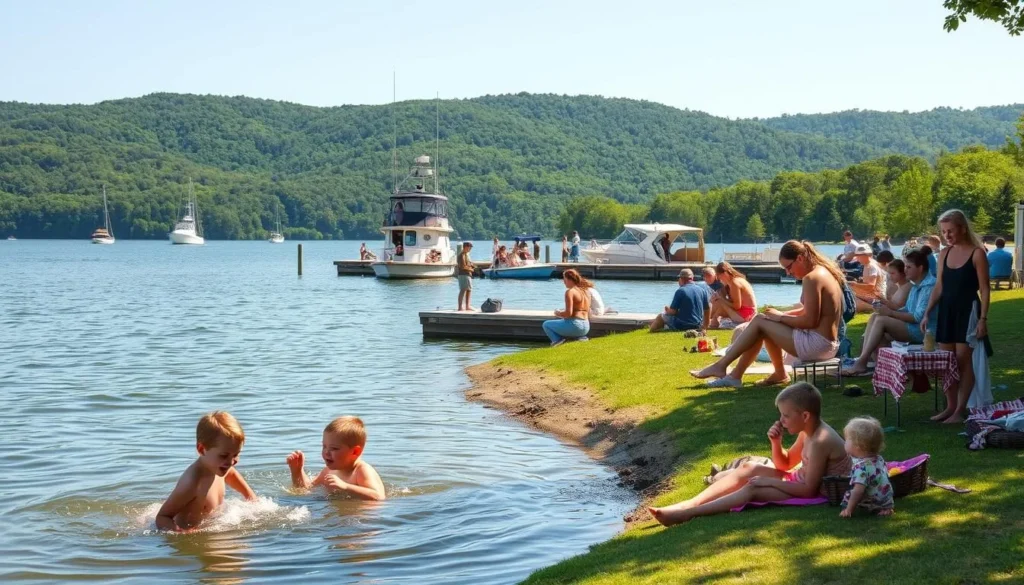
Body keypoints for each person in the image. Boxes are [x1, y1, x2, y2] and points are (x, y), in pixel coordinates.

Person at [649, 383, 851, 526]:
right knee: (749, 467)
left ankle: (688, 514)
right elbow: (785, 464)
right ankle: (690, 503)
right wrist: (776, 443)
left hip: (816, 491)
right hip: (799, 480)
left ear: (805, 415)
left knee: (753, 488)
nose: (782, 420)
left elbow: (809, 491)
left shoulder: (820, 440)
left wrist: (768, 482)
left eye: (786, 415)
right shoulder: (807, 432)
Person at [691, 241, 844, 388]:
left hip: (817, 345)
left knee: (759, 321)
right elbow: (810, 311)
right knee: (764, 323)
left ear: (800, 258)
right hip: (827, 344)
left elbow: (810, 321)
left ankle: (722, 367)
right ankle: (773, 374)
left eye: (788, 267)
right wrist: (779, 315)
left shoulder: (812, 278)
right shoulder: (823, 272)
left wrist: (780, 317)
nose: (788, 272)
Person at [922, 209, 990, 424]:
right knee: (946, 362)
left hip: (968, 311)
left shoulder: (977, 253)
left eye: (950, 230)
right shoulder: (944, 253)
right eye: (943, 232)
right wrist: (927, 312)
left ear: (962, 228)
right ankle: (950, 407)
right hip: (947, 311)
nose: (947, 235)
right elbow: (939, 286)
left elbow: (985, 289)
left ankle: (961, 410)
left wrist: (983, 319)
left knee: (963, 361)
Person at [156, 412, 257, 532]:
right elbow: (162, 517)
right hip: (190, 535)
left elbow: (231, 474)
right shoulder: (192, 483)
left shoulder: (219, 467)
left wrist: (250, 497)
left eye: (236, 455)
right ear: (201, 449)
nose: (231, 462)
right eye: (224, 455)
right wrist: (182, 532)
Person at [841, 250, 936, 376]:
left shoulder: (928, 287)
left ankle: (862, 362)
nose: (905, 270)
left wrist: (890, 313)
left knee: (881, 320)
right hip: (914, 327)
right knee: (876, 316)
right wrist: (884, 309)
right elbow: (906, 310)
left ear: (920, 268)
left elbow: (917, 317)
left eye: (909, 267)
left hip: (924, 332)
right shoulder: (917, 285)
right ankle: (872, 363)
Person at [286, 416, 386, 501]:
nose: (326, 452)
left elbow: (379, 497)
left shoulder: (361, 470)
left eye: (334, 448)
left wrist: (346, 486)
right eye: (324, 446)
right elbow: (306, 490)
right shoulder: (328, 471)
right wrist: (297, 471)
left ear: (355, 452)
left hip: (361, 518)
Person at [840, 417, 894, 517]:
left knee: (851, 492)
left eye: (847, 440)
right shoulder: (878, 459)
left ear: (858, 445)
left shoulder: (861, 467)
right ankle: (886, 508)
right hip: (886, 499)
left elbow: (858, 491)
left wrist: (849, 509)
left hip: (872, 501)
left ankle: (872, 508)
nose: (844, 442)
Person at [542, 269, 592, 346]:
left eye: (564, 279)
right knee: (566, 322)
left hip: (575, 326)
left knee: (546, 324)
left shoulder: (570, 292)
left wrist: (558, 313)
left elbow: (568, 314)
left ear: (569, 279)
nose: (563, 282)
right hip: (586, 326)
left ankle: (557, 341)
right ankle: (581, 338)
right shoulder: (585, 291)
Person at [708, 262, 758, 327]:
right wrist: (721, 296)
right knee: (719, 308)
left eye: (719, 277)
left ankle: (705, 321)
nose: (720, 280)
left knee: (719, 302)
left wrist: (722, 299)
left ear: (725, 273)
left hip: (746, 316)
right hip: (750, 313)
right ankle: (711, 321)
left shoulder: (735, 283)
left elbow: (737, 306)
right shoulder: (738, 280)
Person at [850, 244, 887, 312]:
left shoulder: (872, 266)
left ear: (866, 255)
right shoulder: (869, 264)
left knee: (850, 293)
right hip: (874, 293)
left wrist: (854, 284)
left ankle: (873, 307)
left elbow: (871, 286)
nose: (857, 258)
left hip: (876, 295)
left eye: (858, 256)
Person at [457, 242, 475, 311]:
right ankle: (460, 307)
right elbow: (462, 266)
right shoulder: (462, 255)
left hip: (467, 275)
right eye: (469, 247)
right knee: (463, 290)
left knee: (469, 290)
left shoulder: (466, 255)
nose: (470, 249)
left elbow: (468, 264)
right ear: (465, 247)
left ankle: (467, 306)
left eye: (470, 247)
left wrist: (472, 265)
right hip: (463, 275)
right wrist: (471, 269)